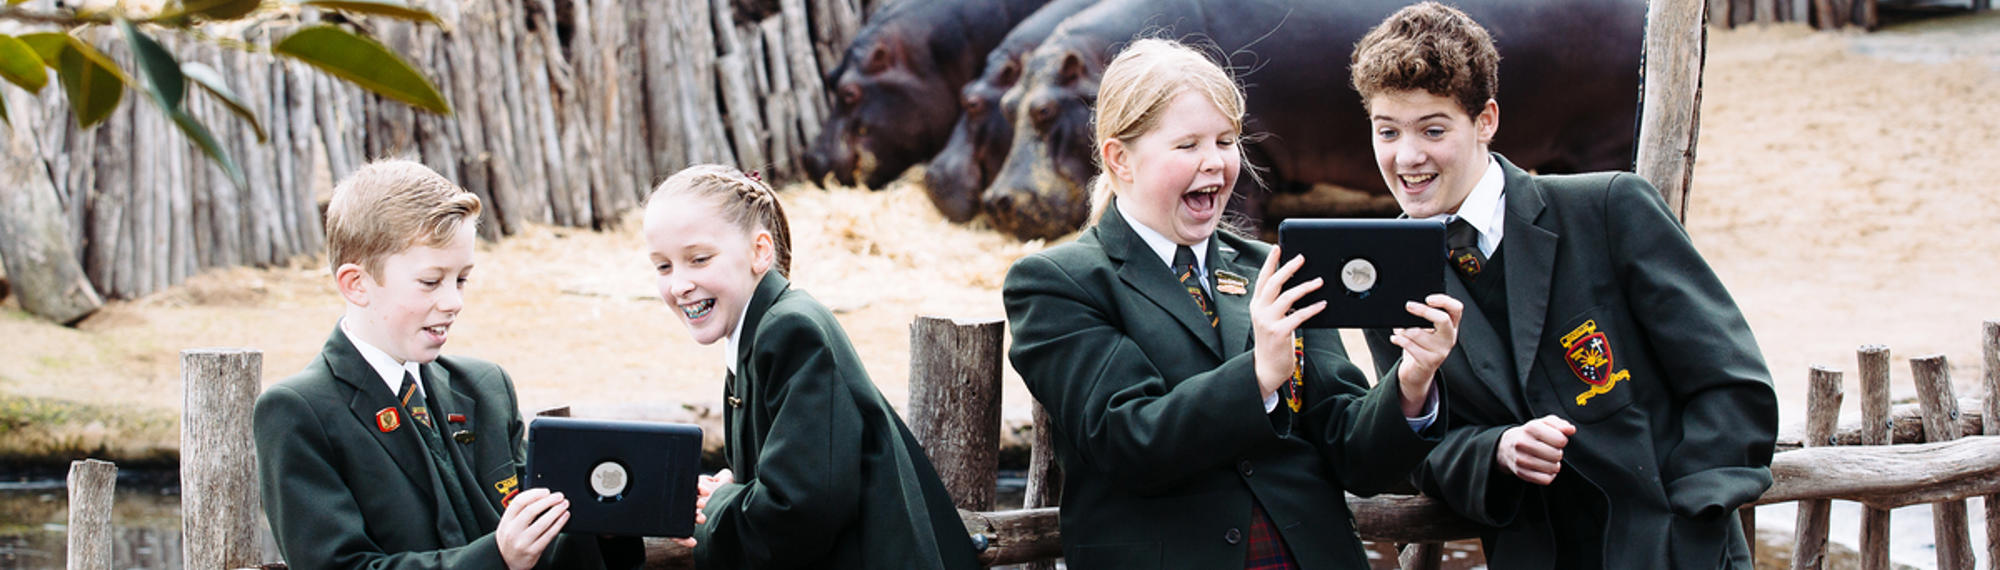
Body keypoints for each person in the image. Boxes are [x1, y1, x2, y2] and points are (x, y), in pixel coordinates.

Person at [1001, 38, 1461, 568]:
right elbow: (1128, 441)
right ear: (1119, 158)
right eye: (1188, 145)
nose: (1215, 163)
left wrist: (1411, 383)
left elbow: (1353, 455)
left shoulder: (1278, 264)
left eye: (1225, 141)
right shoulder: (1057, 282)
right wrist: (1260, 375)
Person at [1348, 4, 1780, 568]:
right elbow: (1422, 457)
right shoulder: (1387, 275)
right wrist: (1494, 450)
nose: (1407, 156)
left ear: (1485, 121)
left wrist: (1689, 518)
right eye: (1388, 131)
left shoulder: (1610, 208)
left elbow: (1734, 386)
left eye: (1433, 129)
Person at [253, 159, 642, 570]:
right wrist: (497, 557)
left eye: (461, 279)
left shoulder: (486, 387)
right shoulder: (298, 411)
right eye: (430, 281)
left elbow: (546, 543)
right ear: (357, 283)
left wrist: (608, 525)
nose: (454, 301)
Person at [642, 165, 980, 569]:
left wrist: (714, 509)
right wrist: (740, 487)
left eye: (699, 259)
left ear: (759, 252)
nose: (679, 284)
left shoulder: (789, 331)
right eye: (664, 267)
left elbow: (800, 509)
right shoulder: (754, 331)